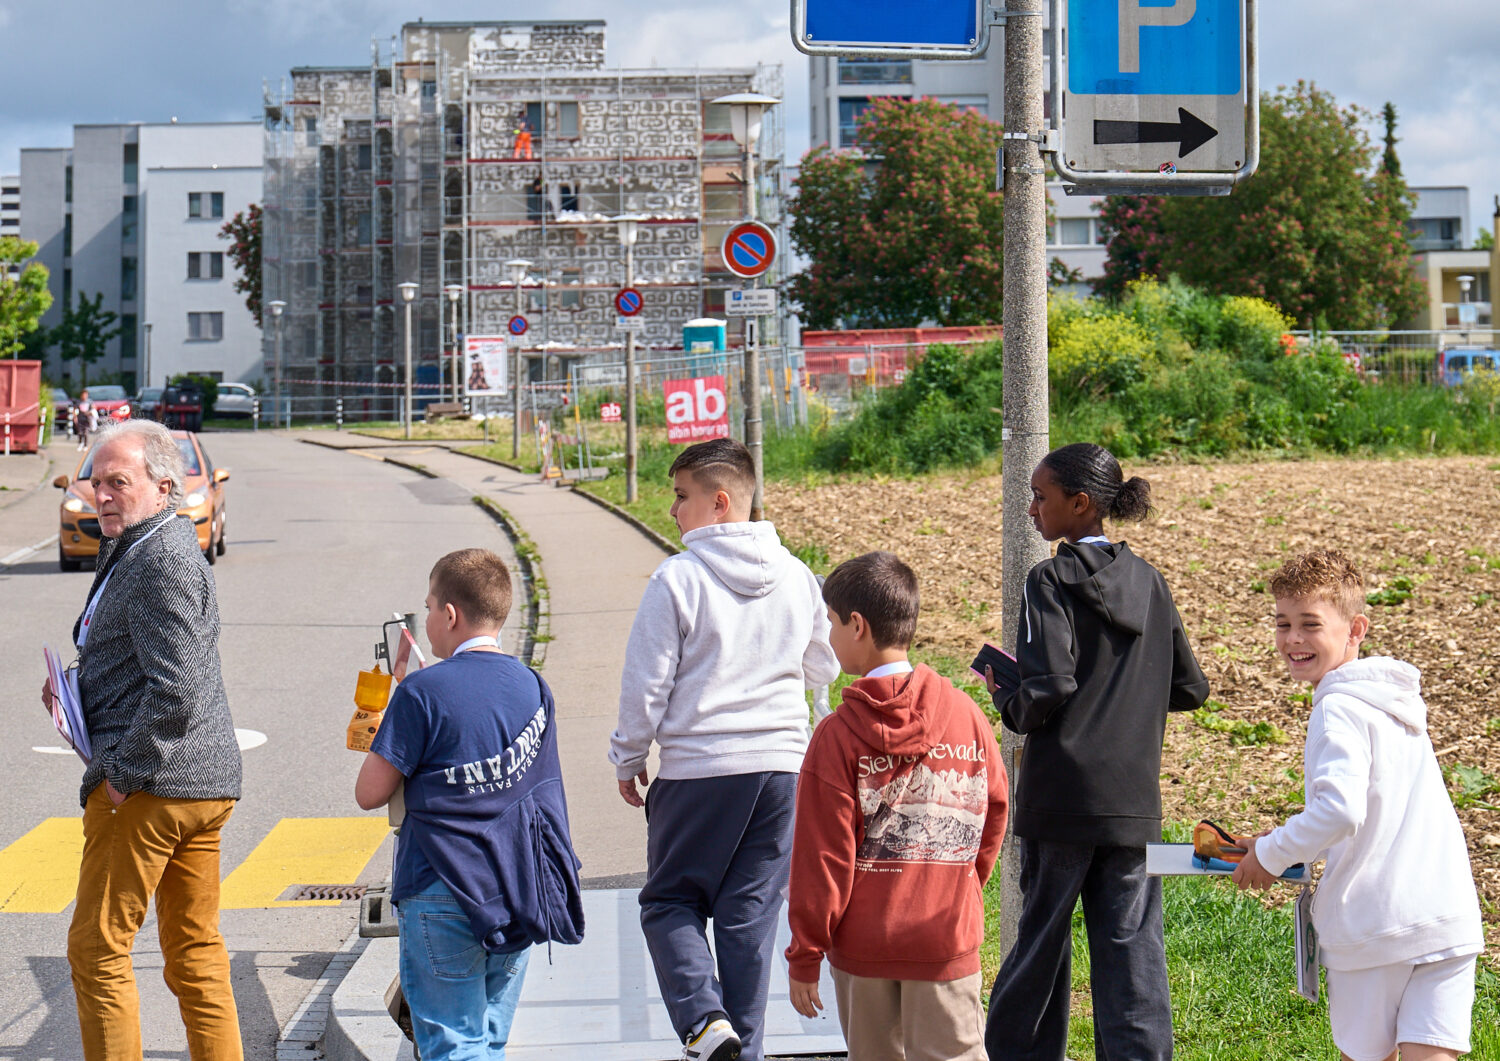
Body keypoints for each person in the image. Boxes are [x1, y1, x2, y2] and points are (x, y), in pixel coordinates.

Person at [610, 438, 839, 1061]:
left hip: (701, 769)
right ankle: (744, 1047)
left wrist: (629, 758)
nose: (673, 510)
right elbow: (823, 664)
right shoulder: (797, 575)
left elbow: (646, 684)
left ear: (719, 501)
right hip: (783, 770)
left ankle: (704, 1021)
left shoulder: (677, 578)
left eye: (681, 496)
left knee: (669, 901)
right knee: (748, 917)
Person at [984, 442, 1209, 1061]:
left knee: (1042, 946)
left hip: (1060, 799)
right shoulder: (1151, 582)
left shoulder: (1049, 580)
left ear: (1078, 504)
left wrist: (1008, 698)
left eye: (1040, 496)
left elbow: (1051, 685)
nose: (1031, 507)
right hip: (1133, 801)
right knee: (1131, 947)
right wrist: (1127, 697)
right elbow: (1191, 688)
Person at [41, 418, 243, 1060]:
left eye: (117, 483)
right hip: (196, 784)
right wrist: (75, 688)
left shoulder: (161, 560)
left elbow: (177, 687)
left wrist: (124, 775)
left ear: (164, 486)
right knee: (194, 951)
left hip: (153, 788)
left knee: (97, 950)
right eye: (95, 482)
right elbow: (152, 661)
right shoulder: (146, 545)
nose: (101, 495)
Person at [1232, 549, 1483, 1061]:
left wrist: (1272, 854)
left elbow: (1339, 810)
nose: (1293, 638)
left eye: (1310, 623)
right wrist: (1275, 842)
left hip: (1377, 924)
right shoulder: (1394, 703)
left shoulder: (1338, 709)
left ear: (1356, 629)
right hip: (1447, 914)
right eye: (1283, 623)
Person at [355, 548, 585, 1061]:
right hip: (517, 885)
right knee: (488, 1040)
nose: (430, 619)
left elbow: (369, 792)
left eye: (431, 607)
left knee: (455, 1046)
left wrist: (382, 728)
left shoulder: (421, 692)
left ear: (451, 614)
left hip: (443, 888)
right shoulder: (532, 686)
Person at [785, 551, 1007, 1061]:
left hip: (864, 946)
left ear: (857, 625)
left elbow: (823, 858)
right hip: (945, 933)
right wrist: (962, 884)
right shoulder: (967, 716)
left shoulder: (835, 737)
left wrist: (805, 953)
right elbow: (993, 812)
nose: (828, 637)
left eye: (831, 624)